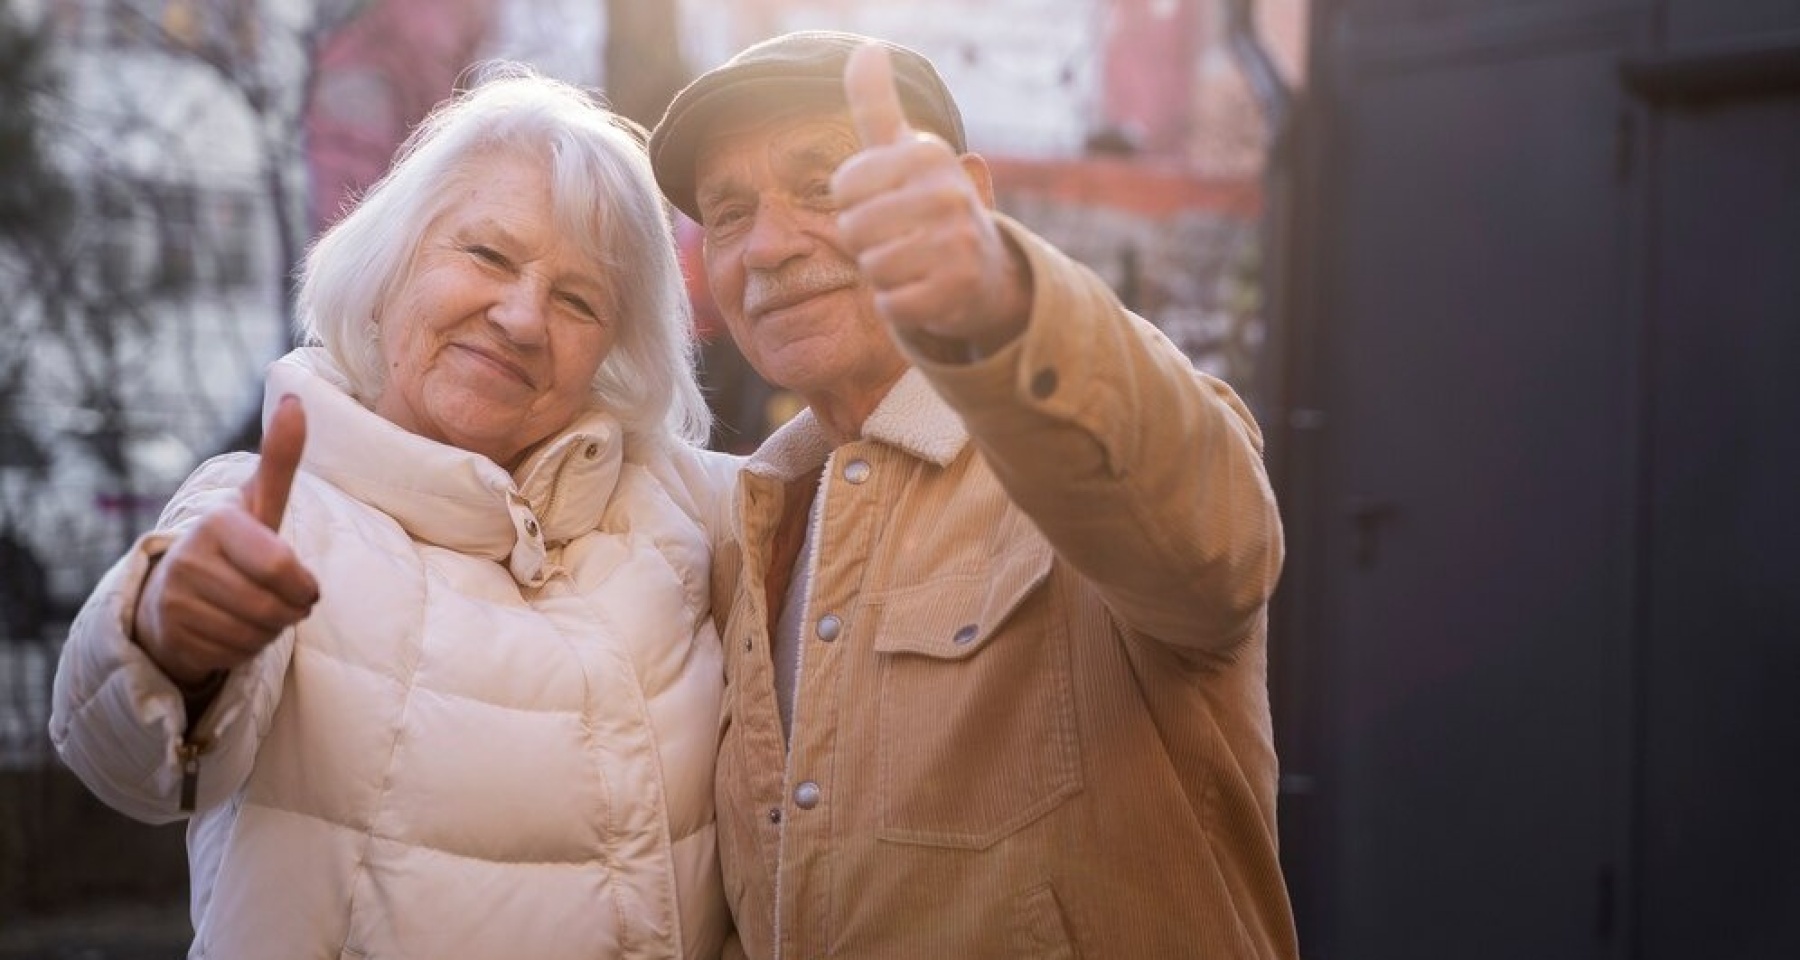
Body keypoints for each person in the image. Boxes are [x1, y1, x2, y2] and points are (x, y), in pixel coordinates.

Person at [51, 67, 736, 959]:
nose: (524, 318)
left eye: (578, 301)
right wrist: (167, 640)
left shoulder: (680, 507)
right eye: (488, 256)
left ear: (613, 349)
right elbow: (125, 760)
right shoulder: (269, 510)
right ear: (388, 265)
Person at [648, 31, 1298, 959]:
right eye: (728, 213)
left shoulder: (1083, 460)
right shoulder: (747, 527)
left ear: (973, 201)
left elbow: (1211, 541)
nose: (768, 246)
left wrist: (1002, 302)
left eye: (826, 187)